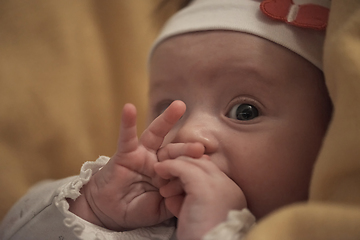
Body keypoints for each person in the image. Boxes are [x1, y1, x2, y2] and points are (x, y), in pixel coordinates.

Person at [0, 0, 333, 239]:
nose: (187, 133)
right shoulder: (139, 220)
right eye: (166, 110)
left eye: (244, 112)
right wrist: (93, 212)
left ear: (331, 136)